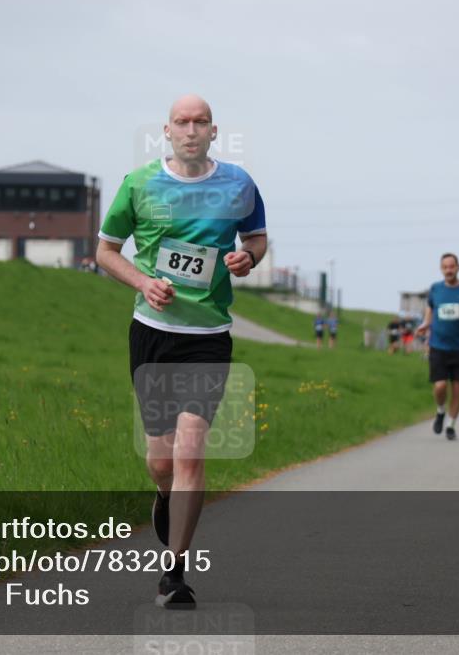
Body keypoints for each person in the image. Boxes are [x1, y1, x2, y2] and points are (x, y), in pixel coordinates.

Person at [95, 94, 267, 609]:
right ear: (166, 132)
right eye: (181, 122)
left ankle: (175, 572)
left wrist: (247, 258)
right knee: (162, 460)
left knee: (192, 449)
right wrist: (145, 283)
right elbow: (105, 250)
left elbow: (256, 239)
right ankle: (165, 497)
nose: (191, 130)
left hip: (209, 338)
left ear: (214, 132)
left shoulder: (239, 183)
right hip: (153, 334)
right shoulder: (140, 184)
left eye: (201, 122)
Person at [415, 253, 459, 440]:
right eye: (445, 267)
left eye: (451, 266)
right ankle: (440, 411)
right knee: (440, 386)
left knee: (458, 390)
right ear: (441, 269)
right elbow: (430, 306)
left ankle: (451, 426)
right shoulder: (435, 289)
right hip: (438, 346)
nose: (448, 270)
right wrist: (426, 323)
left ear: (458, 267)